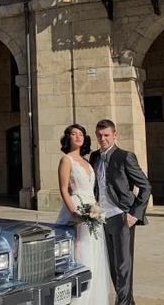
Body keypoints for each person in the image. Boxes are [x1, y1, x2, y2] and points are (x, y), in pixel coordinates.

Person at [89, 119, 152, 305]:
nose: (103, 139)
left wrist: (135, 214)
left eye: (107, 135)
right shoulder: (94, 157)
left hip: (121, 215)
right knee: (113, 267)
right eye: (100, 135)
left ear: (115, 135)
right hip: (101, 217)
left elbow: (145, 186)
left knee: (123, 266)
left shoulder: (125, 156)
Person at [55, 124, 111, 304]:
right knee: (80, 252)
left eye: (81, 134)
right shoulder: (66, 160)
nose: (78, 137)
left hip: (92, 210)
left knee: (94, 253)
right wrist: (74, 212)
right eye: (74, 134)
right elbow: (64, 189)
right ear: (68, 138)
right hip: (77, 209)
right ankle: (79, 299)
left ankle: (93, 298)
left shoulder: (87, 161)